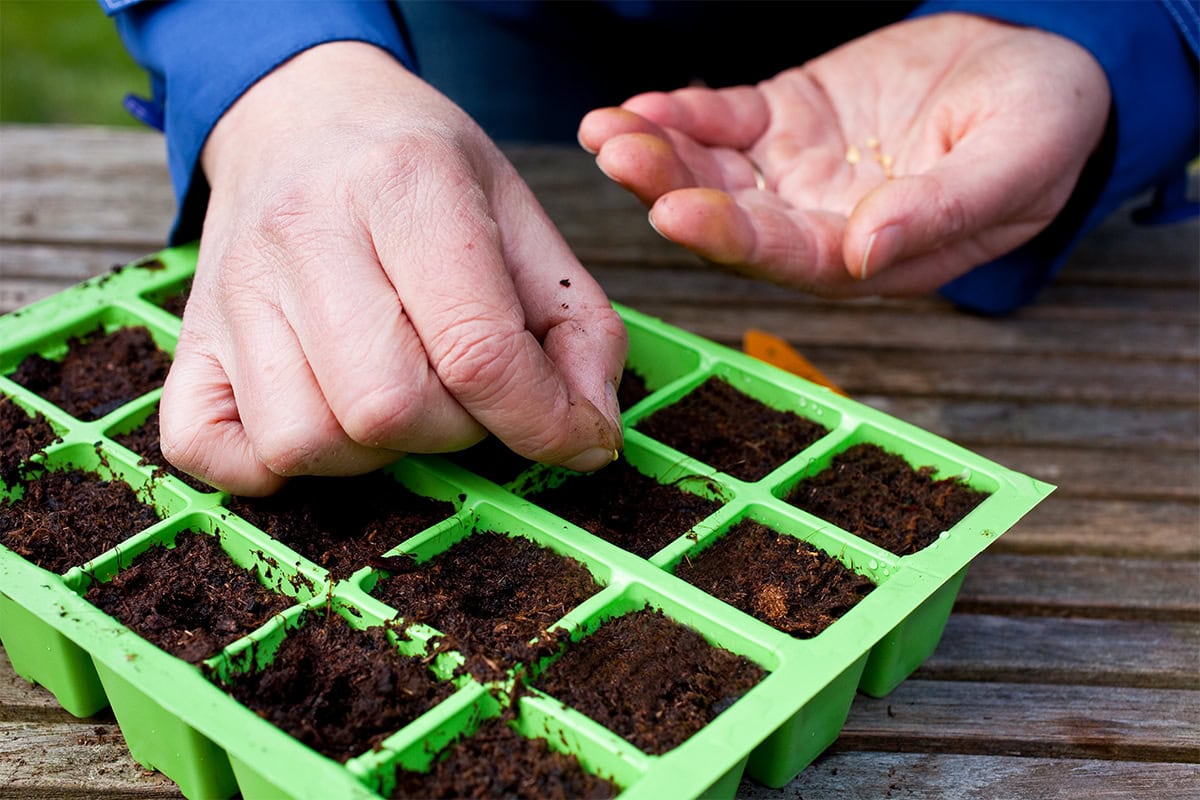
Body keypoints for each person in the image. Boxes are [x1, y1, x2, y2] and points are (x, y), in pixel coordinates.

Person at [99, 0, 1198, 496]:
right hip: (490, 23)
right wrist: (283, 65)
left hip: (968, 22)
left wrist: (1109, 26)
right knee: (426, 288)